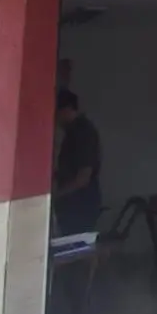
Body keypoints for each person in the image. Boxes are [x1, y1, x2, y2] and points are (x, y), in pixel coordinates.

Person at [53, 90, 102, 236]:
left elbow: (82, 178)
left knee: (75, 245)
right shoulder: (73, 132)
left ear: (67, 109)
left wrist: (55, 196)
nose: (55, 119)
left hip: (79, 205)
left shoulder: (82, 133)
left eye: (57, 113)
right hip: (74, 204)